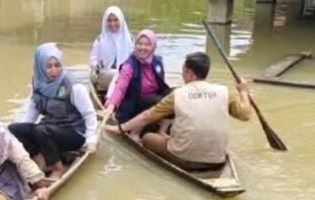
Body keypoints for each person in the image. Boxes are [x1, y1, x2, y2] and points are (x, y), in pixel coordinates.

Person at [108, 52, 253, 171]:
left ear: (190, 73)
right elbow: (246, 115)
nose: (182, 74)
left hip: (185, 159)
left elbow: (147, 116)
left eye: (183, 71)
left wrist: (120, 128)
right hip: (218, 159)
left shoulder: (178, 94)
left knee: (147, 138)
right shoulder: (224, 91)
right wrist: (244, 92)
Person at [9, 43, 98, 180]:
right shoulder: (38, 83)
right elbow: (32, 112)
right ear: (40, 67)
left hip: (73, 133)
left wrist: (91, 139)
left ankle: (57, 168)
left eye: (57, 65)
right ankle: (40, 158)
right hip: (50, 129)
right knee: (14, 128)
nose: (54, 71)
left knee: (41, 130)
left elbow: (89, 113)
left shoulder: (73, 86)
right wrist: (21, 132)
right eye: (49, 66)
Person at [104, 29, 172, 127]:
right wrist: (110, 107)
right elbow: (120, 87)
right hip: (133, 105)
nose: (142, 48)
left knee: (174, 96)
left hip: (154, 104)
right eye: (139, 44)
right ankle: (134, 132)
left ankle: (162, 130)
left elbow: (162, 85)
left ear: (153, 46)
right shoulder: (129, 66)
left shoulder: (157, 62)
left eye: (147, 45)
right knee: (158, 101)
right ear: (135, 45)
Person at [89, 6, 133, 94]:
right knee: (118, 76)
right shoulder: (100, 40)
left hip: (125, 76)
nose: (112, 24)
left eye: (115, 20)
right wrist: (97, 65)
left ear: (121, 20)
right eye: (109, 21)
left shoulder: (129, 40)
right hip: (105, 75)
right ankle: (111, 101)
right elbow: (92, 61)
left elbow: (135, 60)